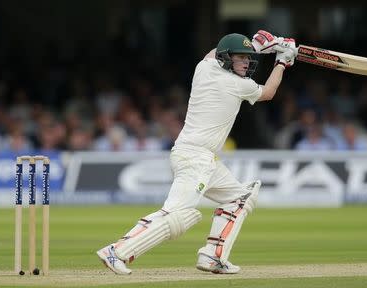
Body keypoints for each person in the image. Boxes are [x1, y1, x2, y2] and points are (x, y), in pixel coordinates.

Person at [96, 30, 297, 274]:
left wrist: (255, 45)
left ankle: (213, 257)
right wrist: (282, 62)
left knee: (240, 197)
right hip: (195, 158)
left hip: (201, 158)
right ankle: (116, 251)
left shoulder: (204, 68)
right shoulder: (235, 83)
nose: (247, 62)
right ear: (226, 58)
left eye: (248, 57)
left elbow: (212, 52)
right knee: (178, 214)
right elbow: (268, 93)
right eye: (241, 57)